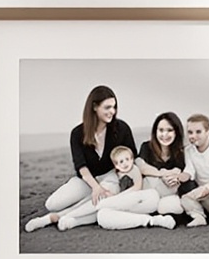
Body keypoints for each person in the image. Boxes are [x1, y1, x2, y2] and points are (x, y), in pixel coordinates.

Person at [24, 86, 137, 230]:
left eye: (114, 107)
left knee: (103, 199)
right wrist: (96, 187)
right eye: (107, 107)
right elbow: (81, 166)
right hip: (87, 179)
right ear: (95, 107)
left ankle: (54, 218)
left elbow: (133, 155)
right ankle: (78, 206)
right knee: (52, 204)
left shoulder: (122, 129)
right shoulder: (77, 133)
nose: (112, 112)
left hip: (111, 177)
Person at [52, 142, 177, 231]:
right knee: (102, 216)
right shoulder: (117, 175)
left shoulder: (134, 169)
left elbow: (137, 188)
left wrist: (115, 198)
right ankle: (73, 222)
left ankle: (68, 215)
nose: (125, 163)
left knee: (103, 203)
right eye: (121, 162)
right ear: (116, 165)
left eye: (128, 159)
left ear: (132, 159)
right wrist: (114, 197)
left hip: (146, 197)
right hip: (130, 204)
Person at [134, 110, 194, 216]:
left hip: (169, 193)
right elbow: (142, 167)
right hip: (149, 192)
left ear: (176, 132)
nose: (164, 135)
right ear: (155, 131)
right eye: (161, 130)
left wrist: (175, 177)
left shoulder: (180, 152)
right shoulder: (146, 147)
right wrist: (163, 174)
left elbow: (181, 172)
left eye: (169, 130)